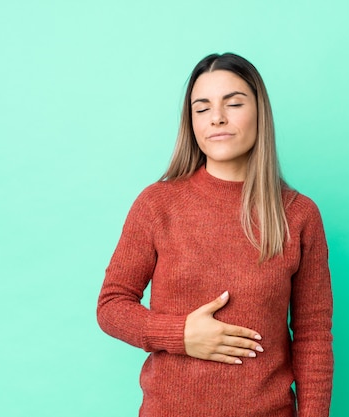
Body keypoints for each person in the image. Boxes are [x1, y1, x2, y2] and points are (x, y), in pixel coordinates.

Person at [97, 52, 333, 417]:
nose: (217, 118)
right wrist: (180, 335)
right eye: (202, 108)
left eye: (234, 103)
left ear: (260, 113)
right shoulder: (158, 204)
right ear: (190, 122)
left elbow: (312, 336)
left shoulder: (298, 215)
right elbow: (111, 306)